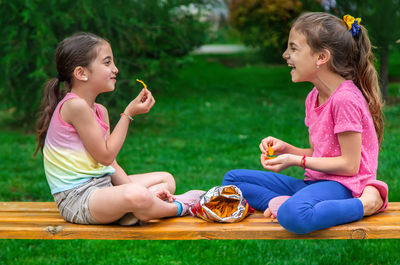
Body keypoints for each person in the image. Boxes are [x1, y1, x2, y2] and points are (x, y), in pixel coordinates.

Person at [222, 12, 388, 234]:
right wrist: (287, 150)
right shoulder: (313, 97)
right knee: (232, 181)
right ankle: (285, 203)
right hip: (316, 183)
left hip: (347, 187)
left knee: (295, 215)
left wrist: (296, 160)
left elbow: (350, 165)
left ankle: (365, 205)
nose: (285, 55)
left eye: (293, 48)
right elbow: (320, 153)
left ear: (321, 57)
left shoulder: (345, 99)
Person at [34, 32, 204, 225]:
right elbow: (106, 156)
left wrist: (133, 193)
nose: (115, 69)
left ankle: (132, 211)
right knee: (136, 194)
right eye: (107, 63)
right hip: (78, 200)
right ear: (81, 73)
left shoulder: (100, 111)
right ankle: (181, 207)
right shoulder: (75, 106)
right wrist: (128, 114)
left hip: (102, 187)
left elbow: (110, 164)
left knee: (166, 180)